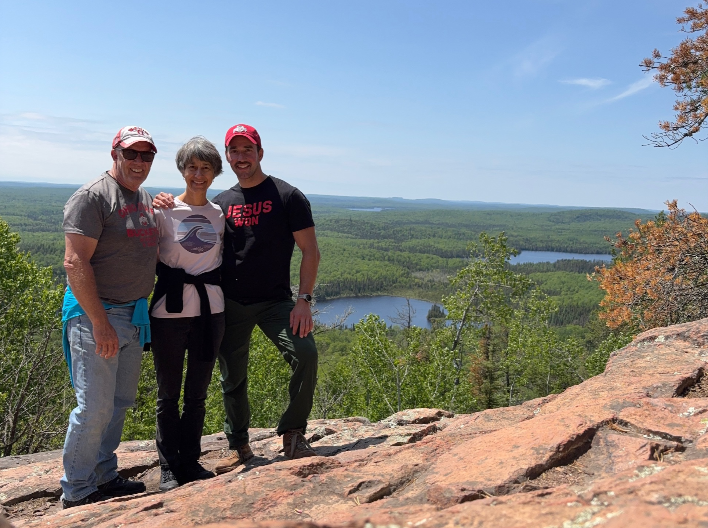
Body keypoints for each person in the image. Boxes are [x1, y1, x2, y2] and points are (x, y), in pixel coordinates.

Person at [155, 124, 321, 472]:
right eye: (235, 151)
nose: (241, 157)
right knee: (232, 376)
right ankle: (238, 445)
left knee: (305, 354)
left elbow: (310, 251)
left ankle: (292, 432)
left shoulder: (287, 196)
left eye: (248, 150)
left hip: (277, 301)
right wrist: (163, 200)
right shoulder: (222, 203)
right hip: (228, 303)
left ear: (260, 153)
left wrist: (304, 299)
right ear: (227, 157)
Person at [60, 126, 158, 508]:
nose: (138, 162)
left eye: (146, 155)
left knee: (118, 402)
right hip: (96, 314)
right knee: (95, 406)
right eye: (131, 154)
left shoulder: (143, 196)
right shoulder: (92, 196)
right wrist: (99, 322)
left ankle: (104, 474)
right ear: (114, 153)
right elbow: (74, 261)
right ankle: (78, 490)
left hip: (133, 314)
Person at [149, 137, 225, 491]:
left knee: (197, 392)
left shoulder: (218, 214)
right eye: (192, 167)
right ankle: (168, 466)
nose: (198, 174)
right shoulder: (163, 210)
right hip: (170, 311)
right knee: (168, 393)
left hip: (212, 310)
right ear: (182, 170)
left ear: (215, 173)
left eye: (206, 167)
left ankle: (190, 460)